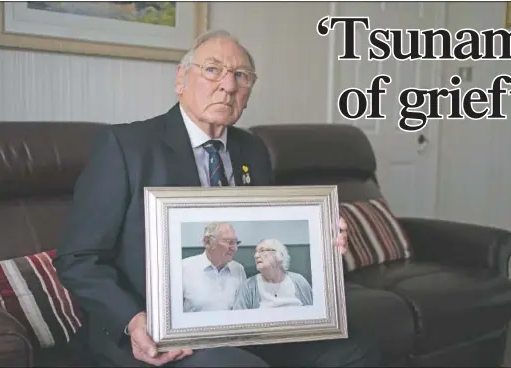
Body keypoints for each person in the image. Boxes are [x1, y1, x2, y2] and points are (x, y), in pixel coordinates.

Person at [54, 28, 380, 367]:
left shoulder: (253, 150)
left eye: (241, 76)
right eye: (212, 70)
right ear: (181, 79)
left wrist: (325, 242)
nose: (228, 85)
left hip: (243, 320)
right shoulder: (125, 147)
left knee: (355, 349)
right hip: (155, 329)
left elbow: (272, 238)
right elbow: (78, 258)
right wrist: (133, 319)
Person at [182, 222, 247, 313]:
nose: (235, 248)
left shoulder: (238, 269)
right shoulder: (184, 268)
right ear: (207, 242)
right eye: (229, 242)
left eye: (236, 243)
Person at [233, 239, 312, 309]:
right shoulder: (247, 287)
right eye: (256, 252)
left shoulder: (299, 281)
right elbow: (238, 319)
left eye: (262, 251)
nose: (256, 256)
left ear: (280, 255)